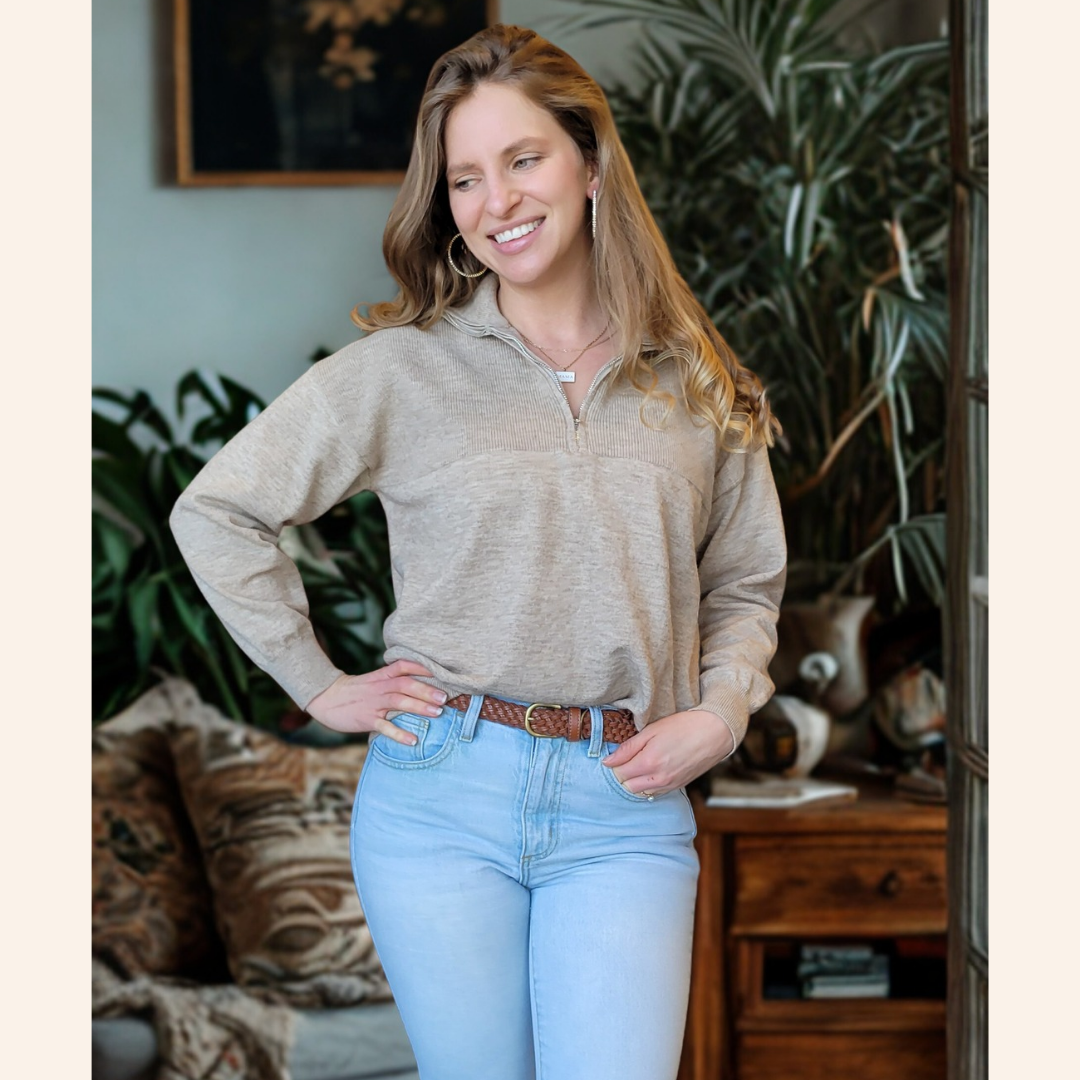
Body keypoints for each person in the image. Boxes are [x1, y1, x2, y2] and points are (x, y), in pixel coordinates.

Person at [170, 23, 786, 1080]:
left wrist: (721, 711)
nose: (495, 201)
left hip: (625, 803)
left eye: (523, 160)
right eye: (463, 179)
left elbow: (745, 580)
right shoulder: (399, 372)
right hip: (440, 801)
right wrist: (319, 685)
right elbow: (216, 509)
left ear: (590, 163)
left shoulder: (692, 377)